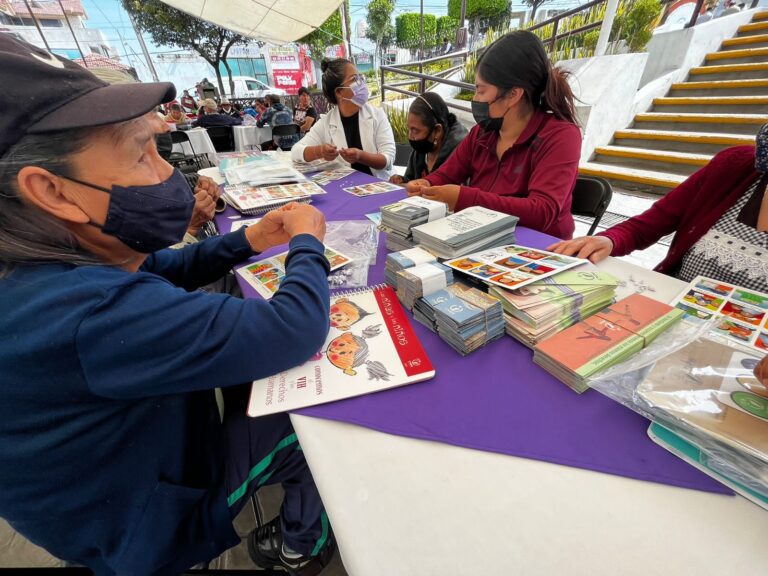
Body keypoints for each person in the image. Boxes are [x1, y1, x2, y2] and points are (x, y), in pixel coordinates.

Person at [0, 35, 336, 575]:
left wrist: (247, 242)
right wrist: (307, 242)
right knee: (315, 430)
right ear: (52, 191)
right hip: (145, 525)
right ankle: (303, 546)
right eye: (140, 155)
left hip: (117, 479)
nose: (166, 175)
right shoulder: (85, 314)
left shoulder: (41, 265)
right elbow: (293, 328)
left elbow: (159, 268)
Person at [404, 30, 582, 239]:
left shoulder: (561, 136)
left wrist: (465, 198)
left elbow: (542, 211)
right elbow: (447, 174)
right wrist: (428, 184)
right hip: (481, 239)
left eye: (481, 91)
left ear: (513, 95)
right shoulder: (482, 134)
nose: (475, 98)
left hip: (539, 248)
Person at [549, 133, 768, 293]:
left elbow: (545, 208)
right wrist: (608, 240)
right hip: (670, 308)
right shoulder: (735, 166)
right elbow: (647, 225)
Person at [292, 58, 395, 180]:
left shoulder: (377, 115)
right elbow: (296, 151)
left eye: (360, 77)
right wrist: (319, 151)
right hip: (345, 185)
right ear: (339, 92)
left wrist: (360, 156)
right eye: (354, 79)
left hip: (378, 184)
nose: (361, 82)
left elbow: (388, 159)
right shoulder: (327, 122)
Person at [390, 92, 468, 185]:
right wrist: (402, 181)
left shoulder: (460, 152)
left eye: (415, 131)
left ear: (437, 130)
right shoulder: (422, 150)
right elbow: (411, 179)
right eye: (409, 129)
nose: (410, 136)